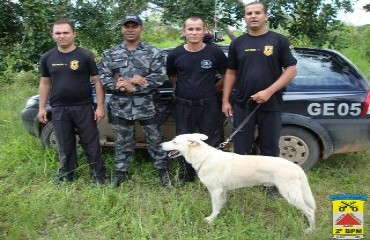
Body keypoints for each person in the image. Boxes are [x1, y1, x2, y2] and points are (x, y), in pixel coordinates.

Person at [222, 2, 297, 195]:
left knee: (270, 145)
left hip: (270, 103)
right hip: (242, 104)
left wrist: (269, 91)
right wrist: (225, 100)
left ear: (265, 16)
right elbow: (230, 73)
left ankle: (272, 186)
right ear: (245, 18)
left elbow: (291, 70)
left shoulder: (279, 40)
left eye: (257, 12)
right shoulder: (237, 43)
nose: (253, 16)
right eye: (249, 13)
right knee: (241, 146)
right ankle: (239, 183)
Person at [99, 14, 170, 187]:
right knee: (123, 142)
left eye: (134, 26)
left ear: (141, 29)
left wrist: (136, 87)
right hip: (120, 105)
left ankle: (163, 173)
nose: (130, 29)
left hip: (147, 105)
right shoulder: (110, 53)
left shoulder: (153, 52)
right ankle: (119, 174)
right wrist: (127, 85)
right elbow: (104, 78)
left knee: (155, 140)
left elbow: (159, 77)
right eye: (127, 26)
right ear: (122, 29)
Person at [37, 19, 106, 184]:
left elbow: (97, 81)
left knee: (91, 144)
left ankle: (98, 177)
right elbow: (45, 83)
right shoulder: (47, 58)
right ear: (52, 35)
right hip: (59, 109)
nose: (62, 36)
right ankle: (67, 176)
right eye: (58, 33)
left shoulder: (86, 55)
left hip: (83, 107)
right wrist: (41, 108)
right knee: (65, 145)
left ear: (74, 34)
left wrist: (100, 107)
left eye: (66, 32)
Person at [166, 16, 227, 185]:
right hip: (183, 106)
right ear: (183, 31)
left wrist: (215, 89)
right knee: (183, 143)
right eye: (190, 29)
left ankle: (214, 177)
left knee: (212, 141)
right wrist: (186, 90)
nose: (194, 32)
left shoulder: (215, 52)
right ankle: (185, 176)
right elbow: (172, 76)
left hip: (209, 105)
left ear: (204, 30)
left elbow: (226, 75)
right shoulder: (175, 54)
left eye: (198, 29)